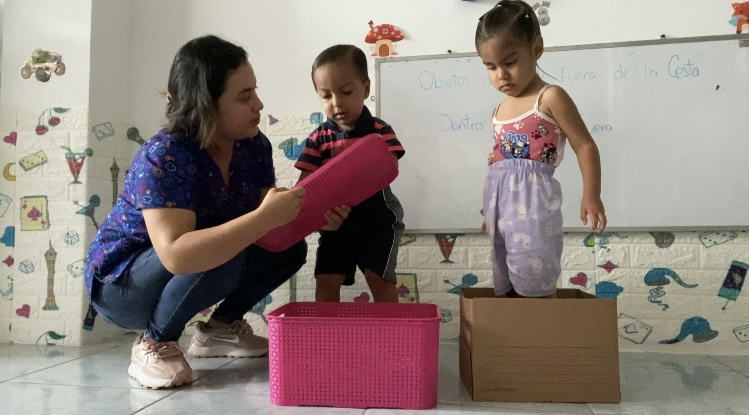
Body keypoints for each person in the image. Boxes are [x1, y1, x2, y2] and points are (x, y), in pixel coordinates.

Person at [84, 35, 348, 389]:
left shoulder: (254, 146)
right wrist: (265, 217)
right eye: (244, 96)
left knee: (288, 248)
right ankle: (154, 343)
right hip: (123, 287)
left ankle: (220, 330)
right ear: (204, 105)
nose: (258, 104)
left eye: (254, 91)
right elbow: (177, 254)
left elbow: (267, 229)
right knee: (223, 252)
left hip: (197, 267)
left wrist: (313, 216)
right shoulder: (164, 154)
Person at [476, 0, 607, 298]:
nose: (501, 75)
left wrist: (592, 194)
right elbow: (499, 163)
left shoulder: (550, 97)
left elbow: (584, 144)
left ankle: (541, 325)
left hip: (534, 204)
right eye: (491, 67)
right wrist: (491, 207)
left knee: (534, 278)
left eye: (510, 62)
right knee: (505, 283)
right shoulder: (499, 109)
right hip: (500, 210)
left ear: (536, 49)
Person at [295, 44, 405, 303]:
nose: (337, 103)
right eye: (326, 96)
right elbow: (304, 187)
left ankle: (391, 330)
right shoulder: (318, 138)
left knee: (380, 279)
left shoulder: (379, 130)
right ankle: (327, 331)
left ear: (365, 89)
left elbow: (390, 167)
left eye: (345, 92)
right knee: (326, 281)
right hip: (336, 225)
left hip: (378, 223)